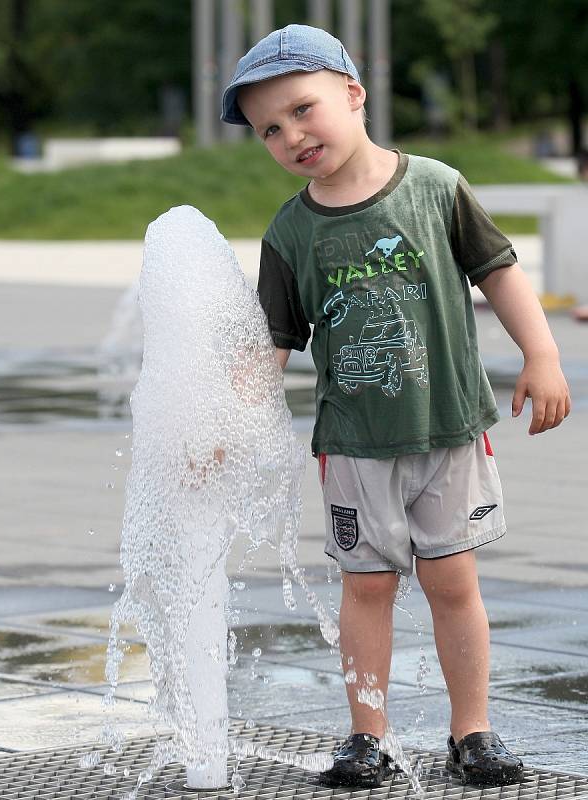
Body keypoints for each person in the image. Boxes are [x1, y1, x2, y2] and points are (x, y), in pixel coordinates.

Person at [221, 24, 571, 789]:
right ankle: (366, 735)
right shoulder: (291, 232)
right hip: (353, 443)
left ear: (354, 93)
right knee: (367, 586)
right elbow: (271, 344)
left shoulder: (436, 188)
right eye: (269, 130)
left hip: (447, 428)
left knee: (454, 584)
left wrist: (541, 355)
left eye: (303, 109)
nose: (291, 135)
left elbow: (500, 272)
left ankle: (471, 730)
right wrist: (232, 425)